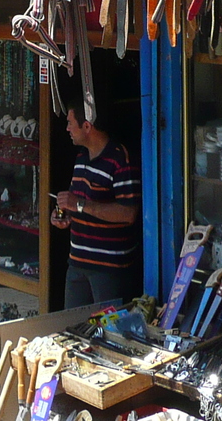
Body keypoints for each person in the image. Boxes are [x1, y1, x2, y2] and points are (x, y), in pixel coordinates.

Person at [52, 107, 140, 309]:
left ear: (87, 126)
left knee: (108, 333)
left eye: (70, 123)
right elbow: (78, 204)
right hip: (77, 263)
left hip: (108, 269)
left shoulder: (120, 159)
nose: (67, 129)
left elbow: (128, 213)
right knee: (73, 331)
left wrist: (80, 205)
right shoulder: (81, 157)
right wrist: (64, 213)